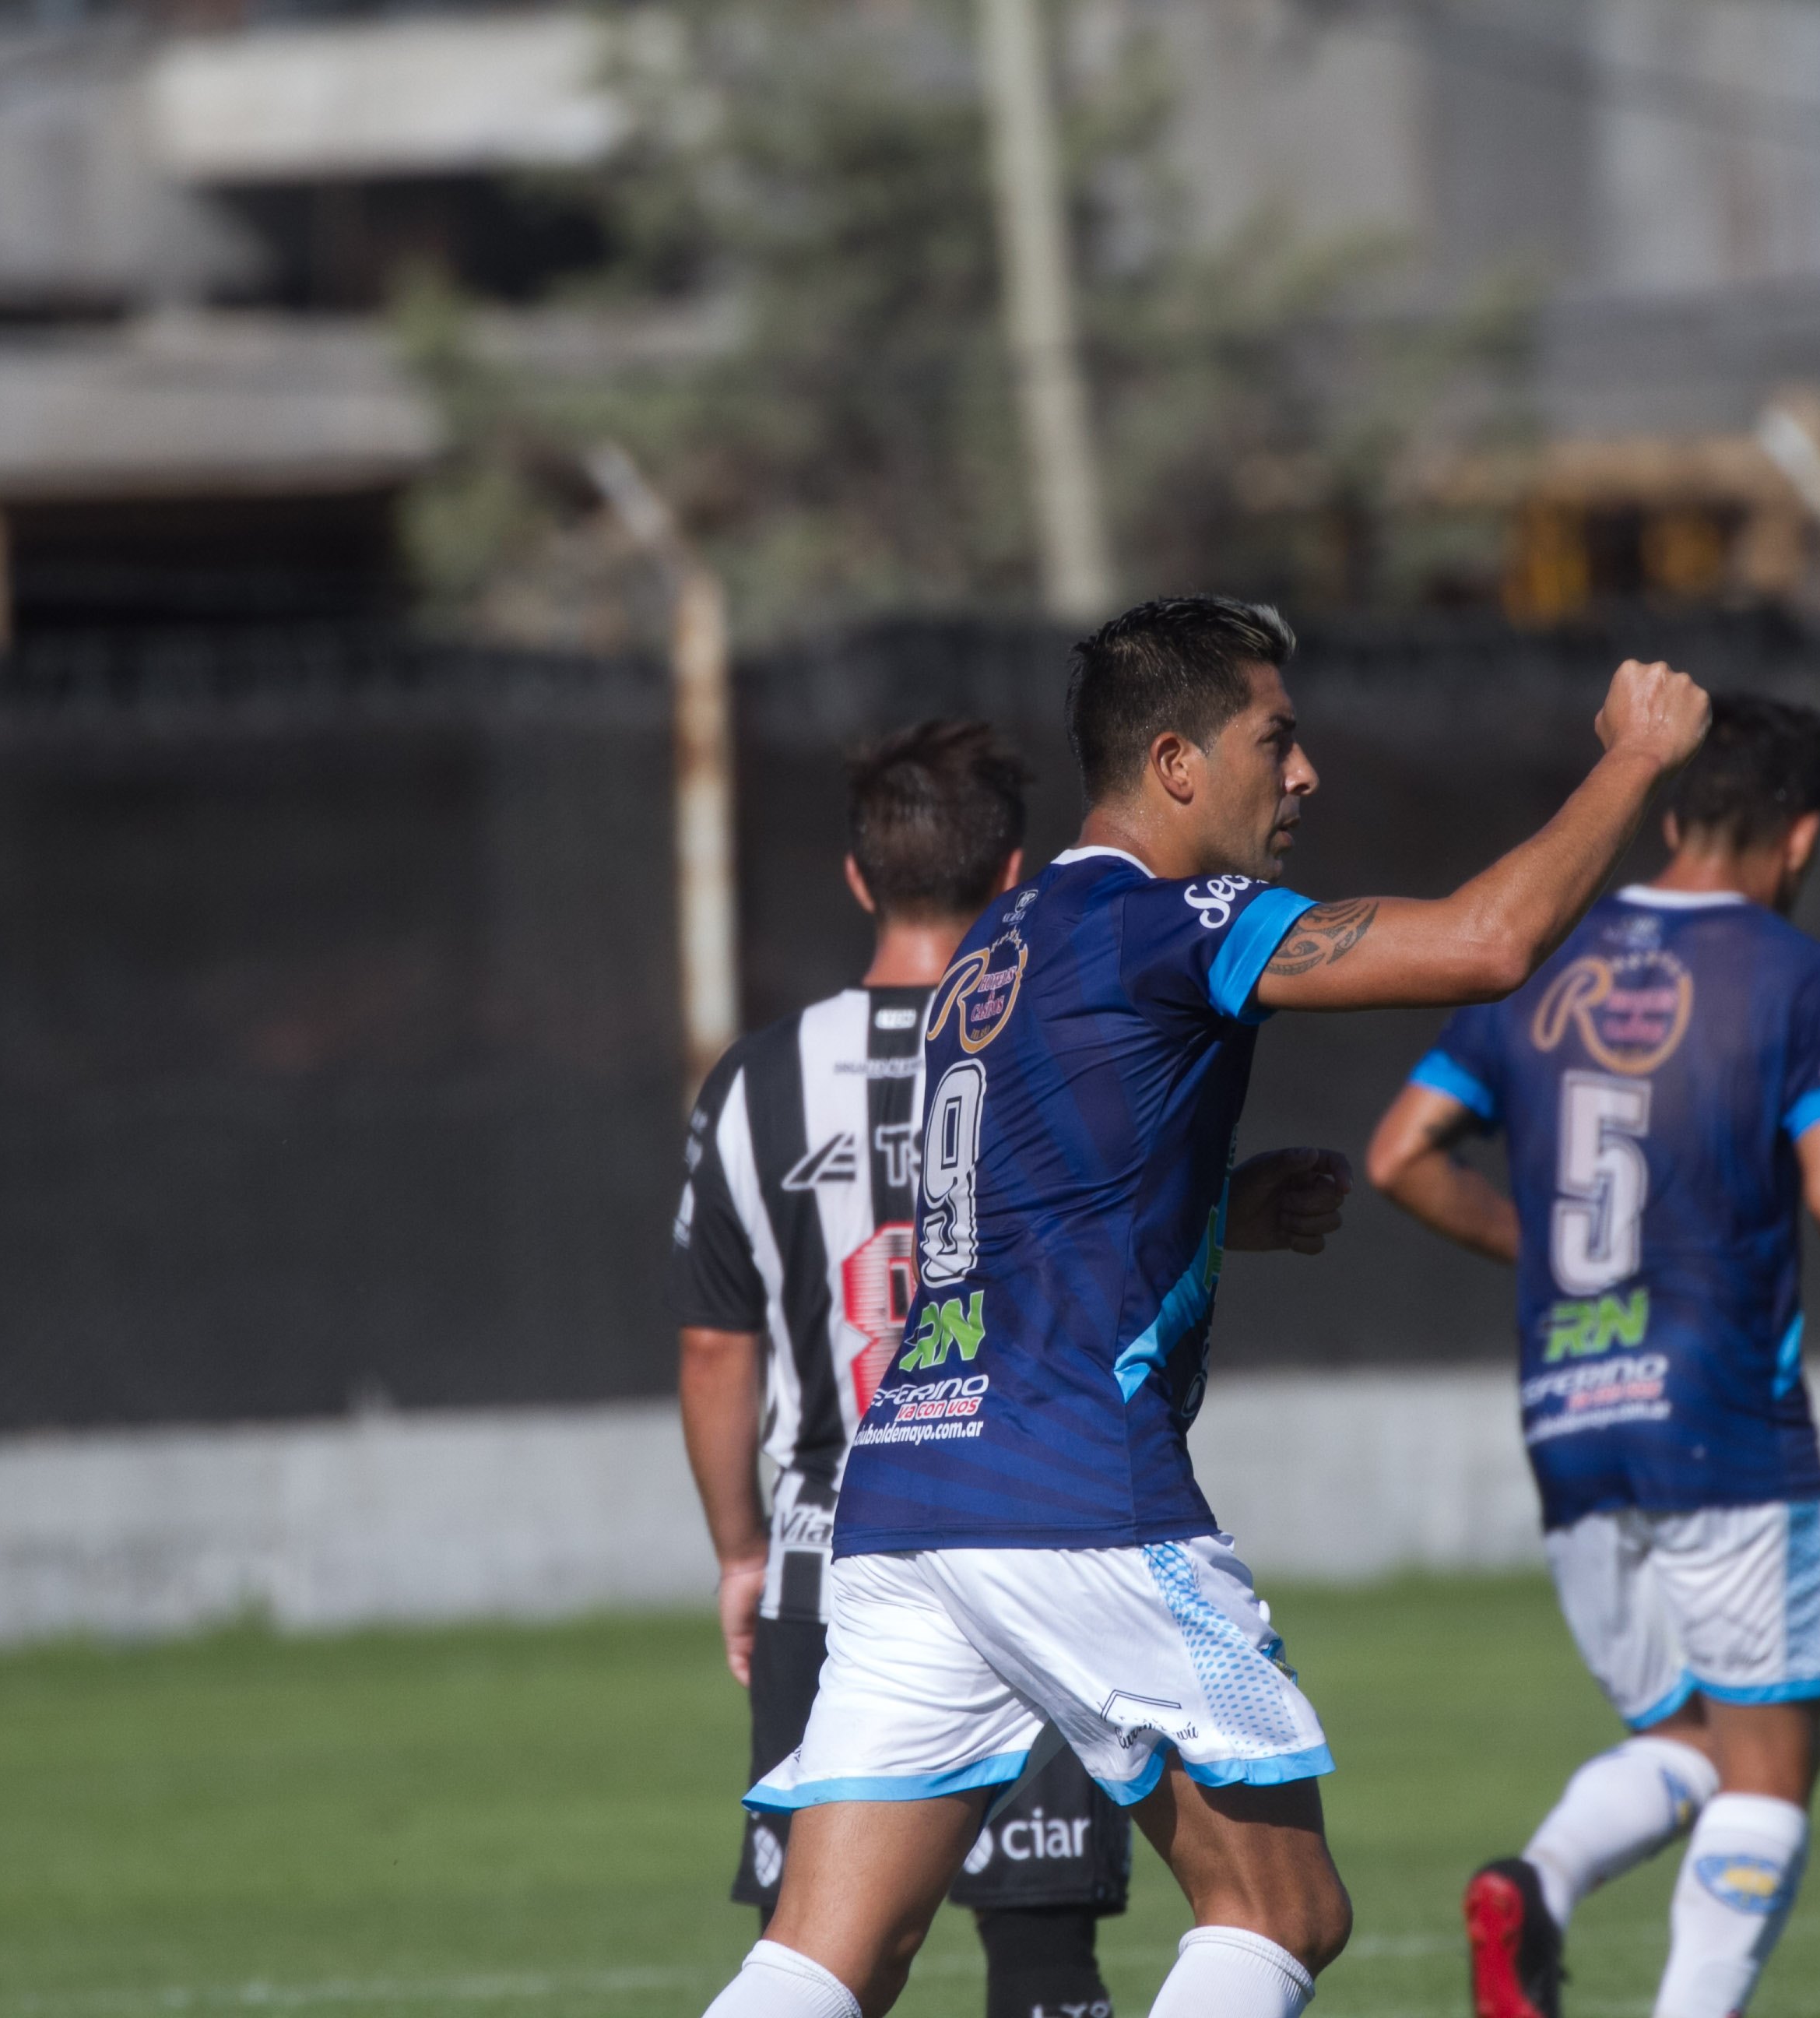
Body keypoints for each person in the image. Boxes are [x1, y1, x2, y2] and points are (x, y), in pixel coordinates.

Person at [696, 595, 1711, 2018]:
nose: (1306, 777)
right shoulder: (1164, 920)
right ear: (1176, 763)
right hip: (1068, 1486)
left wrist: (1217, 1213)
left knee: (825, 1955)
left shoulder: (1002, 944)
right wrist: (1637, 758)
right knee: (1282, 1905)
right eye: (1276, 740)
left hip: (911, 1485)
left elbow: (1006, 1222)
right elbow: (1487, 944)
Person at [1362, 693, 1820, 2018]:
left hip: (1572, 1416)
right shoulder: (1795, 977)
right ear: (1802, 839)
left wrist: (1561, 1259)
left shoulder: (1550, 960)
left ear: (1673, 812)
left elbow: (1399, 1154)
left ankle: (1538, 1883)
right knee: (1769, 1768)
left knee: (1686, 1741)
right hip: (1724, 1419)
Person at [670, 720, 1133, 2018]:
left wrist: (739, 1553)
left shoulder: (757, 1084)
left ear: (859, 878)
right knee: (1046, 1955)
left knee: (822, 1953)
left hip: (831, 1554)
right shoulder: (1058, 1049)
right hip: (1032, 1531)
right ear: (1018, 873)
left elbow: (717, 1342)